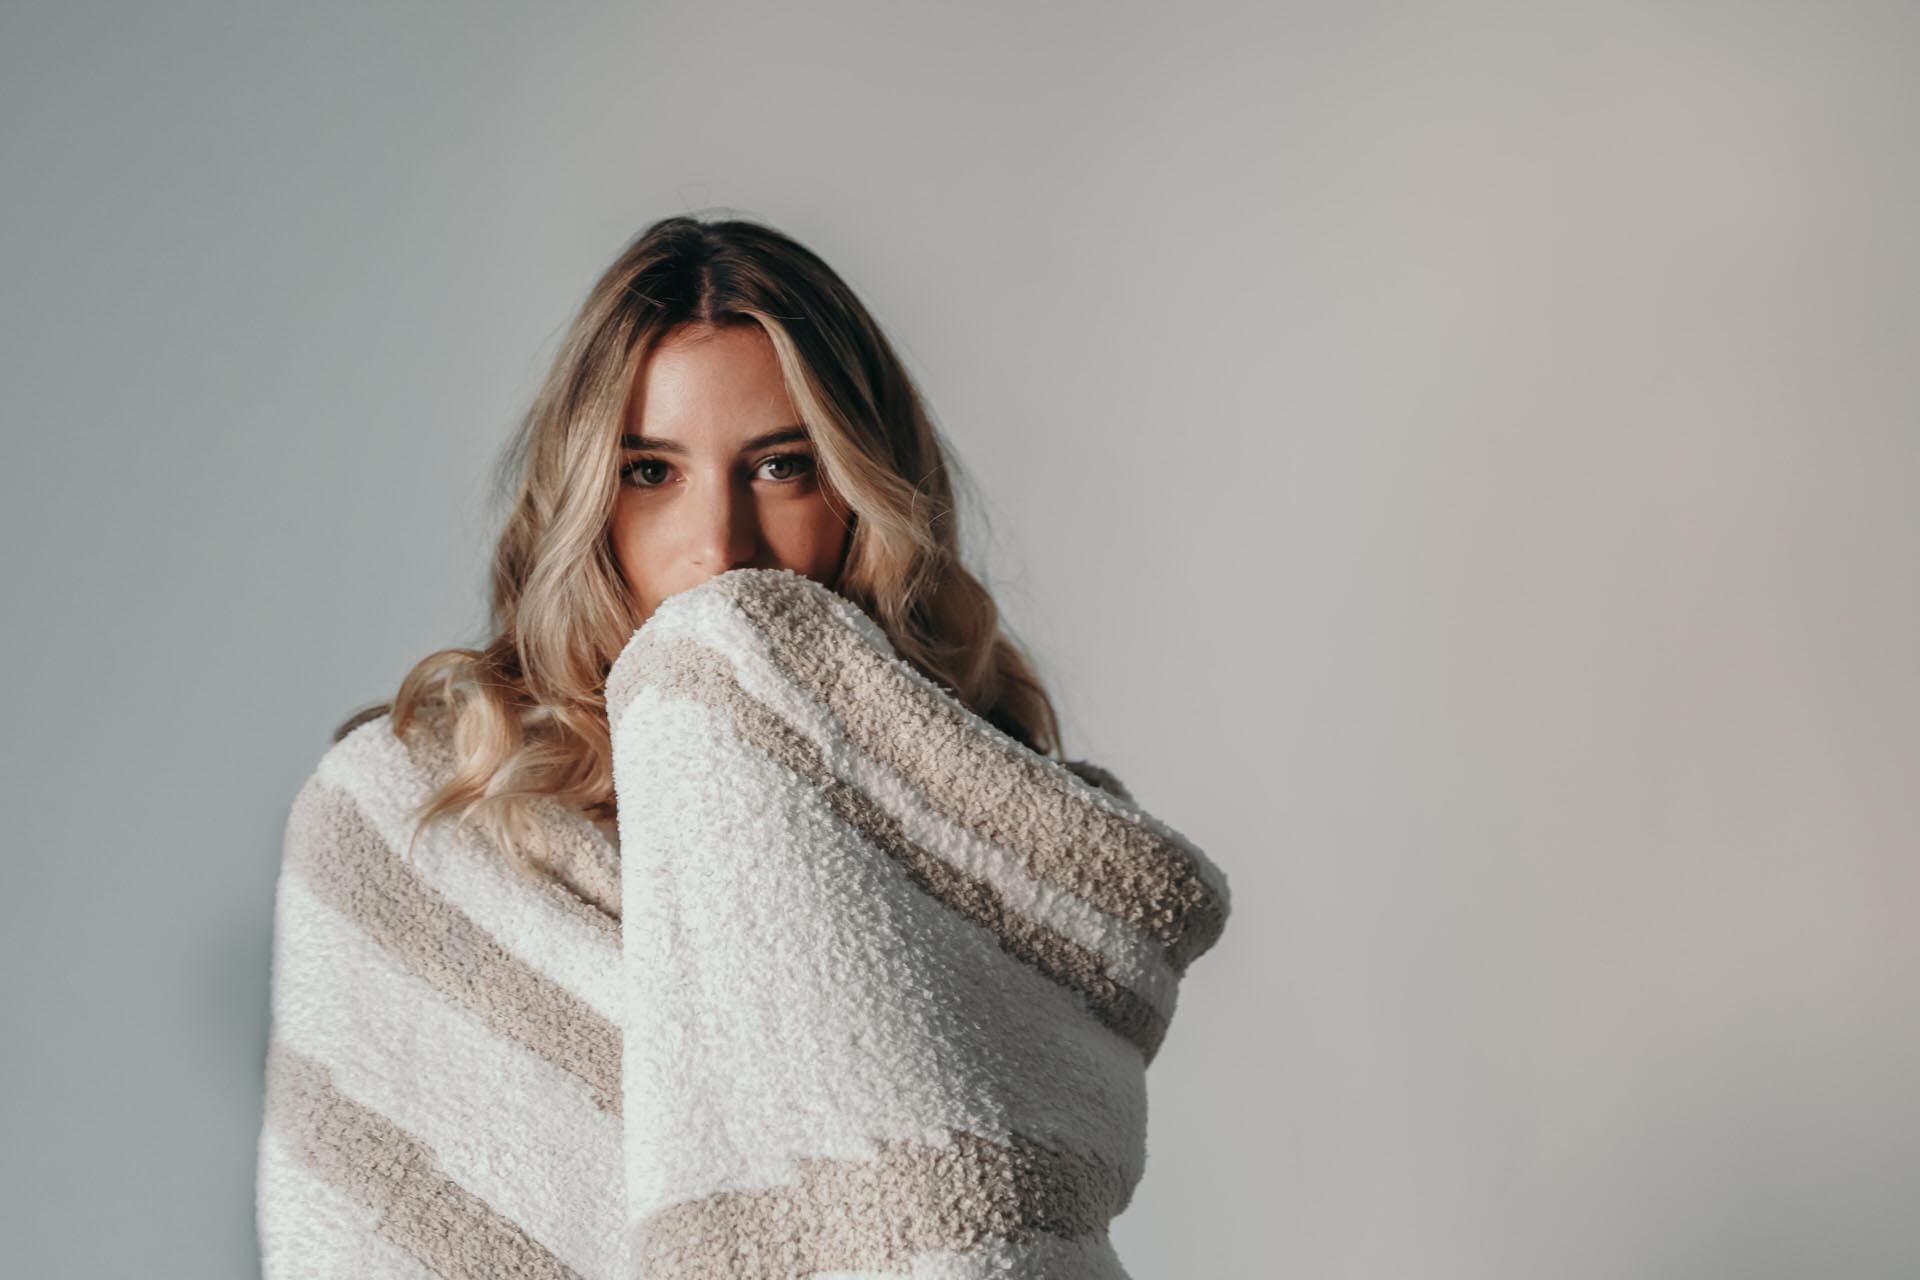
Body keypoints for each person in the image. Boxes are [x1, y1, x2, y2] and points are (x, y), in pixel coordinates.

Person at [256, 213, 1141, 1278]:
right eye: (650, 471)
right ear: (587, 496)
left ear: (862, 493)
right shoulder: (410, 819)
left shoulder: (1000, 832)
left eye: (779, 465)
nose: (720, 544)